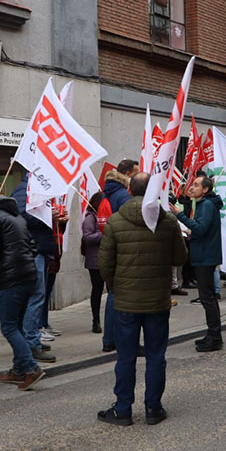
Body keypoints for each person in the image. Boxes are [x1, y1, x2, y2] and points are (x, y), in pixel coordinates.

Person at [97, 173, 188, 426]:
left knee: (125, 357)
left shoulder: (115, 222)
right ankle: (153, 408)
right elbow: (180, 259)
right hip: (157, 301)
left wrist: (117, 287)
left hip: (125, 302)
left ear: (129, 192)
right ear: (154, 192)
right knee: (156, 355)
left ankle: (123, 409)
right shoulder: (168, 222)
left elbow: (105, 263)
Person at [0, 189, 46, 390]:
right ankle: (19, 370)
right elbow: (32, 247)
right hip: (28, 275)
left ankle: (31, 368)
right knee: (18, 325)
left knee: (9, 327)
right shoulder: (17, 216)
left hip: (11, 278)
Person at [11, 171, 62, 363]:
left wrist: (54, 218)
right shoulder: (25, 189)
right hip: (34, 251)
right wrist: (48, 215)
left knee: (37, 296)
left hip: (39, 249)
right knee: (35, 296)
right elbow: (21, 215)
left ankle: (30, 339)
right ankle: (31, 342)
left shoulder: (35, 190)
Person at [173, 175, 224, 352]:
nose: (192, 187)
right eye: (192, 184)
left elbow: (201, 229)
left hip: (205, 257)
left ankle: (215, 336)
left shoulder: (207, 205)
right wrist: (190, 231)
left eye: (196, 185)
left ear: (205, 190)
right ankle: (212, 334)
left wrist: (180, 216)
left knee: (207, 297)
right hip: (203, 255)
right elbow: (202, 230)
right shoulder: (203, 204)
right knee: (208, 297)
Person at [100, 160, 138, 351]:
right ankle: (120, 340)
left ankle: (108, 340)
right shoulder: (123, 195)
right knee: (121, 296)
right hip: (123, 249)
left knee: (112, 294)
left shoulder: (104, 193)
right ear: (127, 175)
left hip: (107, 246)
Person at [82, 191, 105, 334]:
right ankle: (95, 320)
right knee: (97, 290)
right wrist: (105, 233)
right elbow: (88, 238)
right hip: (95, 260)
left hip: (107, 258)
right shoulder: (90, 218)